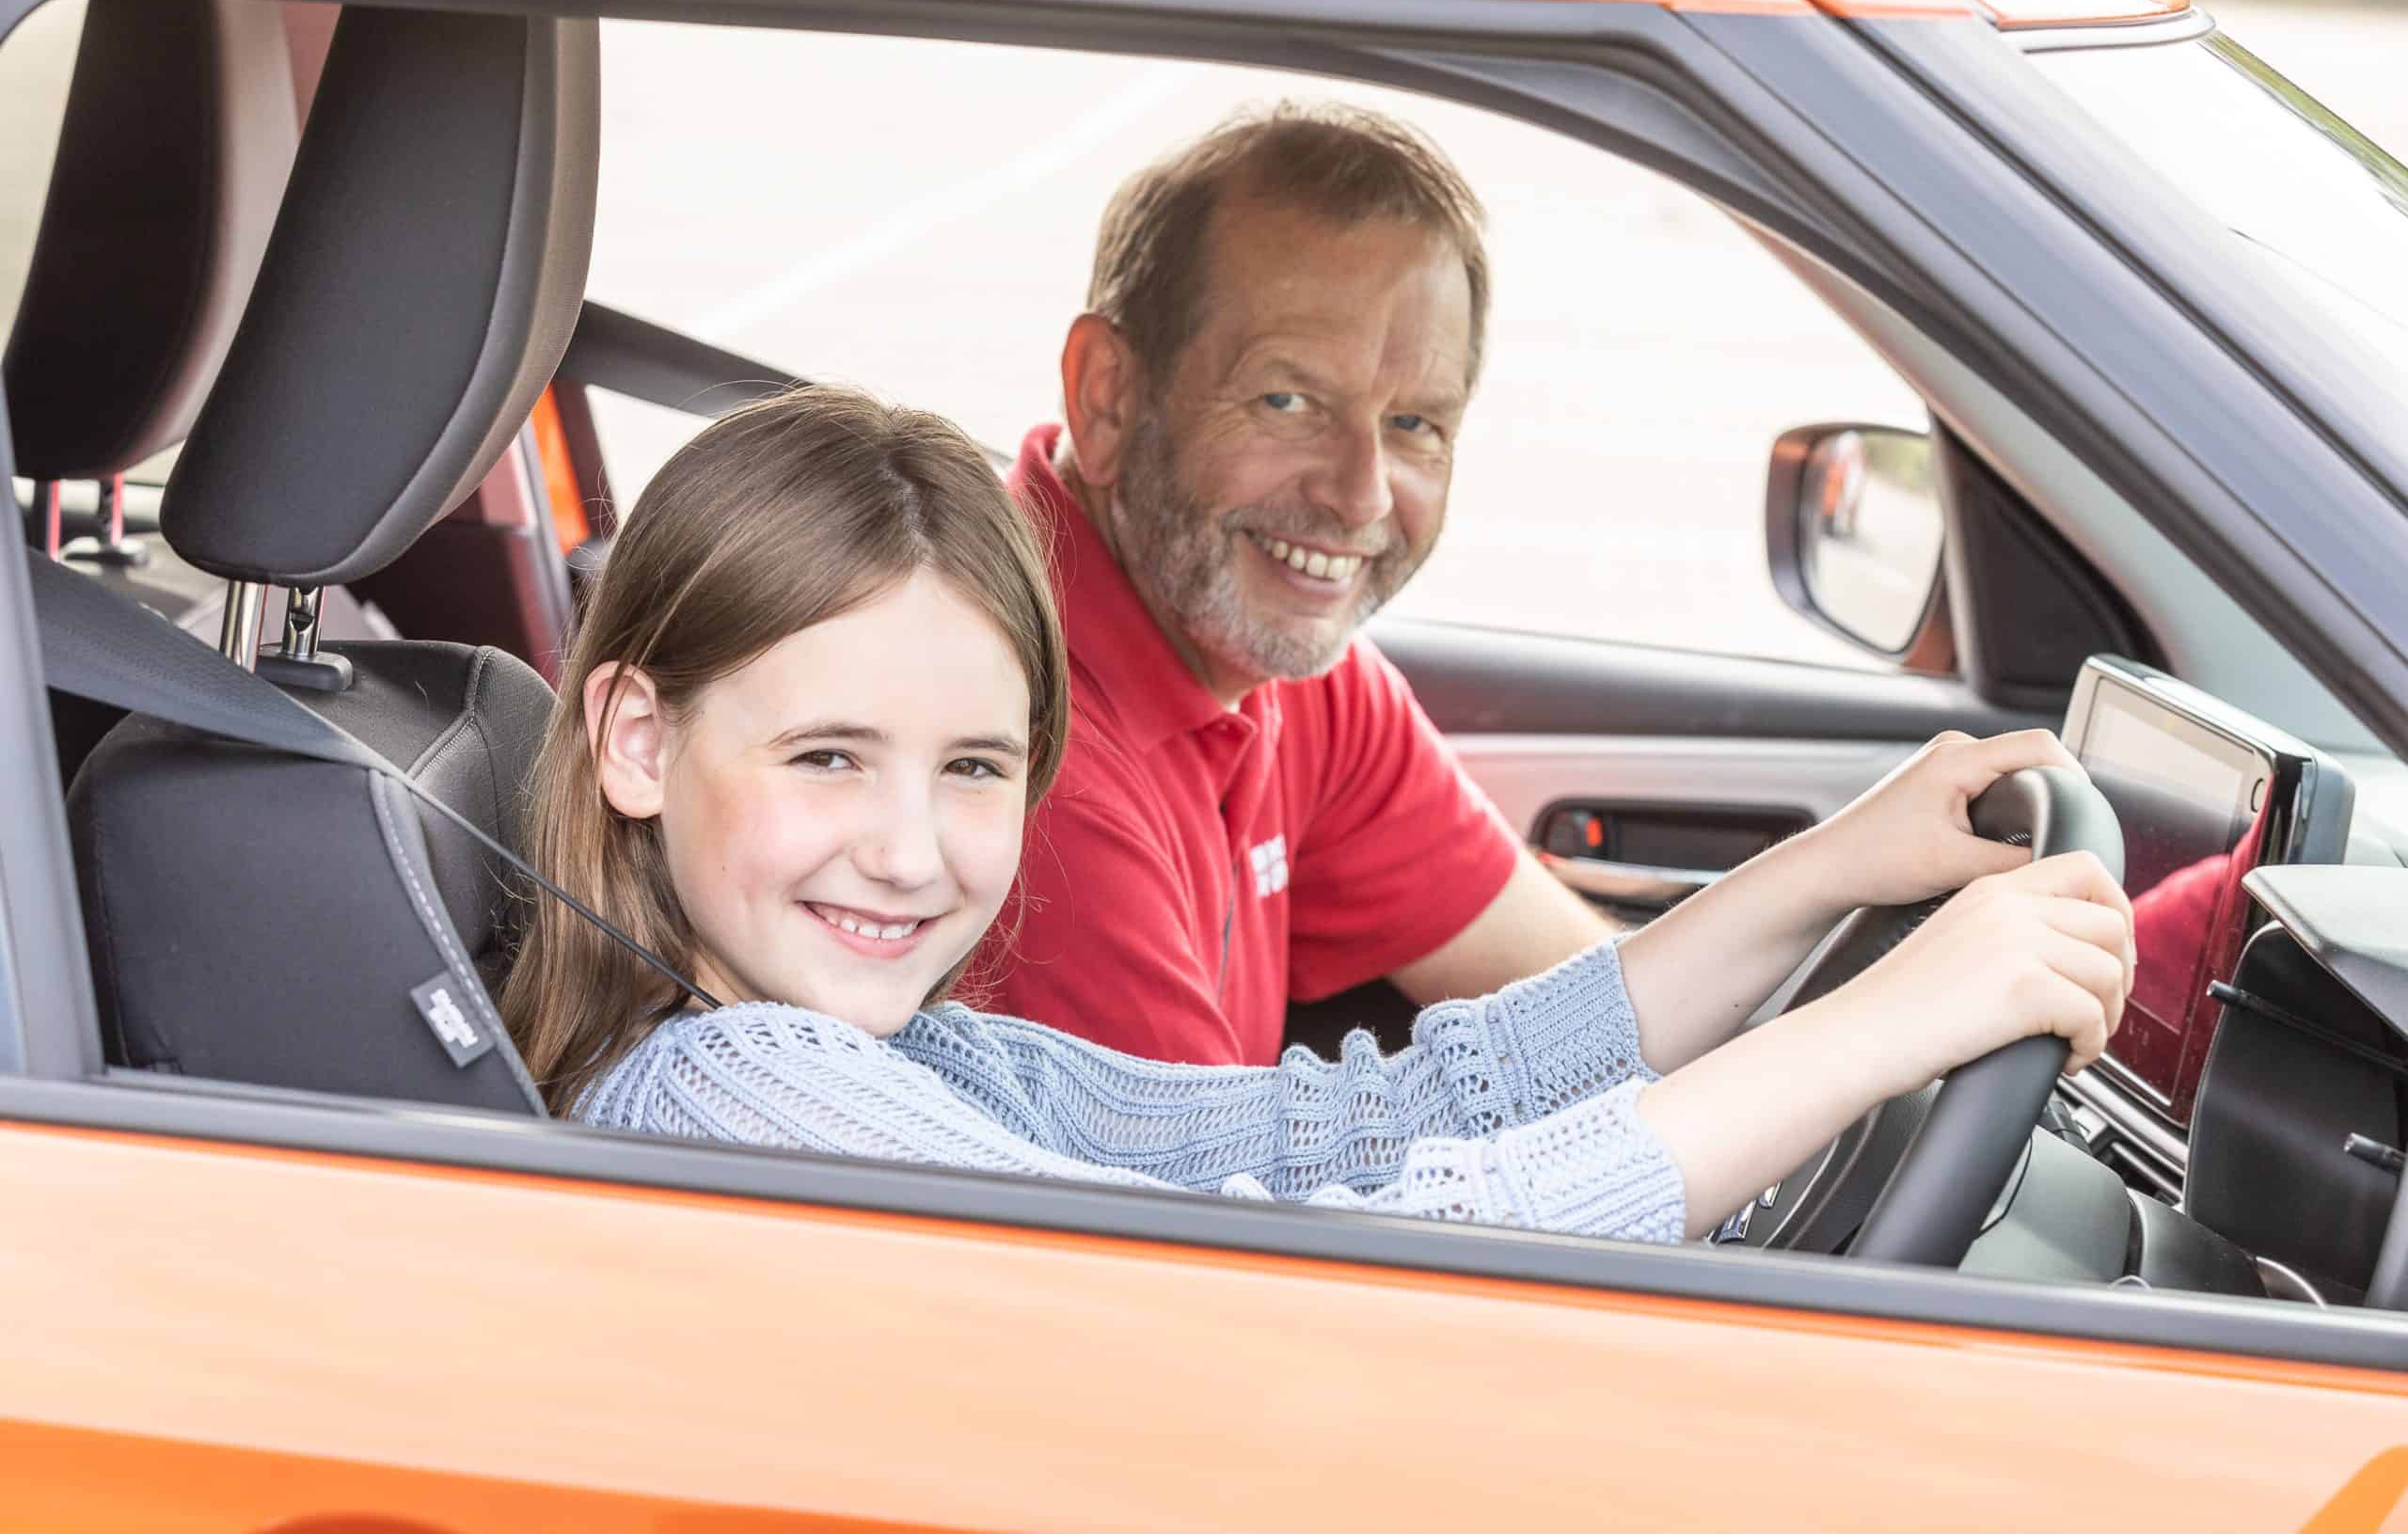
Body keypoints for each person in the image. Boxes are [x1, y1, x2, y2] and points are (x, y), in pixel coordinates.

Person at [499, 385, 2134, 1245]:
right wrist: (1880, 1029)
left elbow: (1350, 1129)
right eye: (829, 757)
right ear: (639, 738)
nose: (914, 850)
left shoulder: (908, 1052)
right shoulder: (734, 1096)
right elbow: (1316, 1266)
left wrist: (1828, 873)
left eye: (976, 768)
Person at [992, 103, 1608, 1066]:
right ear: (1108, 396)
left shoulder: (1284, 664)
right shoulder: (1008, 742)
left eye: (1414, 425)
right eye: (1289, 401)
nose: (1360, 495)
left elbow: (1589, 1006)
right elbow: (1195, 1203)